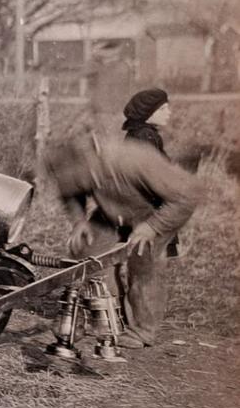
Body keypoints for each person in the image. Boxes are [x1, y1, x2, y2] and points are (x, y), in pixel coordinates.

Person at [46, 132, 202, 348]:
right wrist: (79, 221)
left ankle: (142, 330)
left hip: (153, 213)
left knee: (144, 266)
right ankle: (103, 317)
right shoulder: (75, 166)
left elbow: (188, 195)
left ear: (96, 162)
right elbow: (70, 192)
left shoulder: (136, 159)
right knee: (86, 253)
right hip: (113, 213)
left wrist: (152, 227)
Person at [122, 87, 171, 155]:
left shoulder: (138, 131)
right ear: (147, 112)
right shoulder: (145, 134)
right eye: (162, 109)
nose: (169, 112)